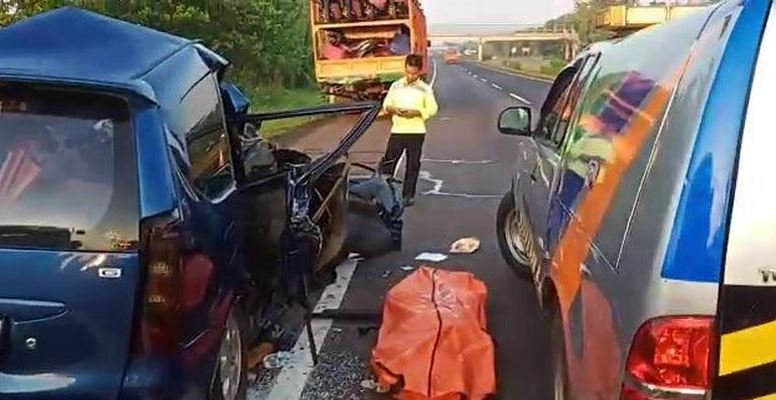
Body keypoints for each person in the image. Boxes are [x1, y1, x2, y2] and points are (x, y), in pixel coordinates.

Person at [380, 54, 438, 207]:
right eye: (408, 72)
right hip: (398, 130)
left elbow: (432, 109)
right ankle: (383, 191)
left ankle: (408, 195)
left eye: (414, 73)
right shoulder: (396, 85)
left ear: (419, 72)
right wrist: (394, 109)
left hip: (416, 131)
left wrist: (417, 112)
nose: (410, 76)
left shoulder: (424, 89)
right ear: (405, 69)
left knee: (412, 165)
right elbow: (386, 105)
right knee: (389, 162)